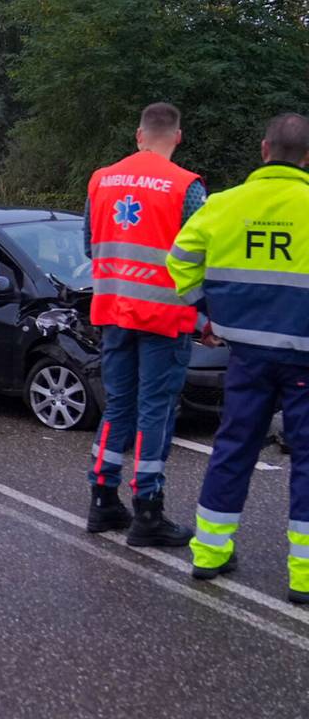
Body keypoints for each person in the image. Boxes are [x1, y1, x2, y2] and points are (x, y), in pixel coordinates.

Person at [166, 113, 309, 603]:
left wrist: (208, 314)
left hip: (244, 353)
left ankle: (209, 553)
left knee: (232, 449)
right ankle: (304, 578)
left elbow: (180, 262)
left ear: (264, 149)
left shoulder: (222, 205)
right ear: (307, 157)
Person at [82, 102, 207, 546]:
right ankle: (148, 511)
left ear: (138, 136)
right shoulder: (186, 186)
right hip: (163, 316)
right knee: (155, 410)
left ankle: (102, 500)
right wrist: (208, 315)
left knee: (118, 406)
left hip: (113, 312)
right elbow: (200, 257)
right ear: (178, 137)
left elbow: (89, 245)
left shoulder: (101, 180)